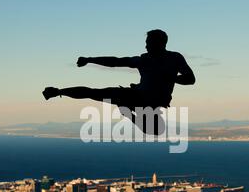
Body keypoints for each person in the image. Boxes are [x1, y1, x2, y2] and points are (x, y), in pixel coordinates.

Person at [42, 29, 195, 134]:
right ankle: (57, 91)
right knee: (94, 93)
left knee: (156, 130)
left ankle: (126, 111)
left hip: (151, 102)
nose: (146, 45)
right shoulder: (144, 59)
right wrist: (90, 60)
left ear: (160, 43)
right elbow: (115, 62)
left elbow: (190, 79)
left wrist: (169, 77)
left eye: (149, 42)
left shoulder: (174, 58)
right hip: (135, 96)